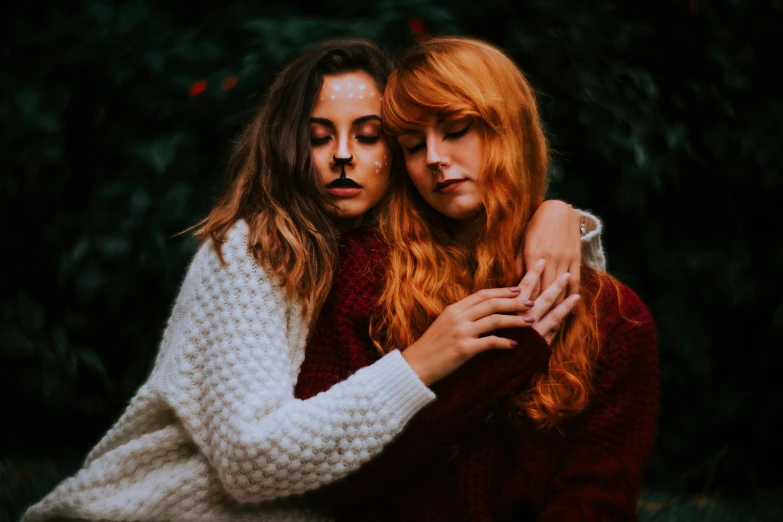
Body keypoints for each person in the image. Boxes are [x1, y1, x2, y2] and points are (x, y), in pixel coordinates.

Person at [22, 39, 604, 522]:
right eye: (319, 136)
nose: (344, 157)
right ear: (287, 146)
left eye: (369, 136)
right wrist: (419, 363)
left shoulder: (400, 247)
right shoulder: (251, 250)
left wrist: (559, 216)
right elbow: (251, 461)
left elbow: (573, 327)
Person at [297, 37, 659, 521]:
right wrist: (491, 369)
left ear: (508, 128)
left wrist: (558, 211)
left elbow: (596, 501)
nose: (433, 157)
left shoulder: (615, 316)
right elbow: (329, 486)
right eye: (411, 145)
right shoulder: (364, 275)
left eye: (456, 129)